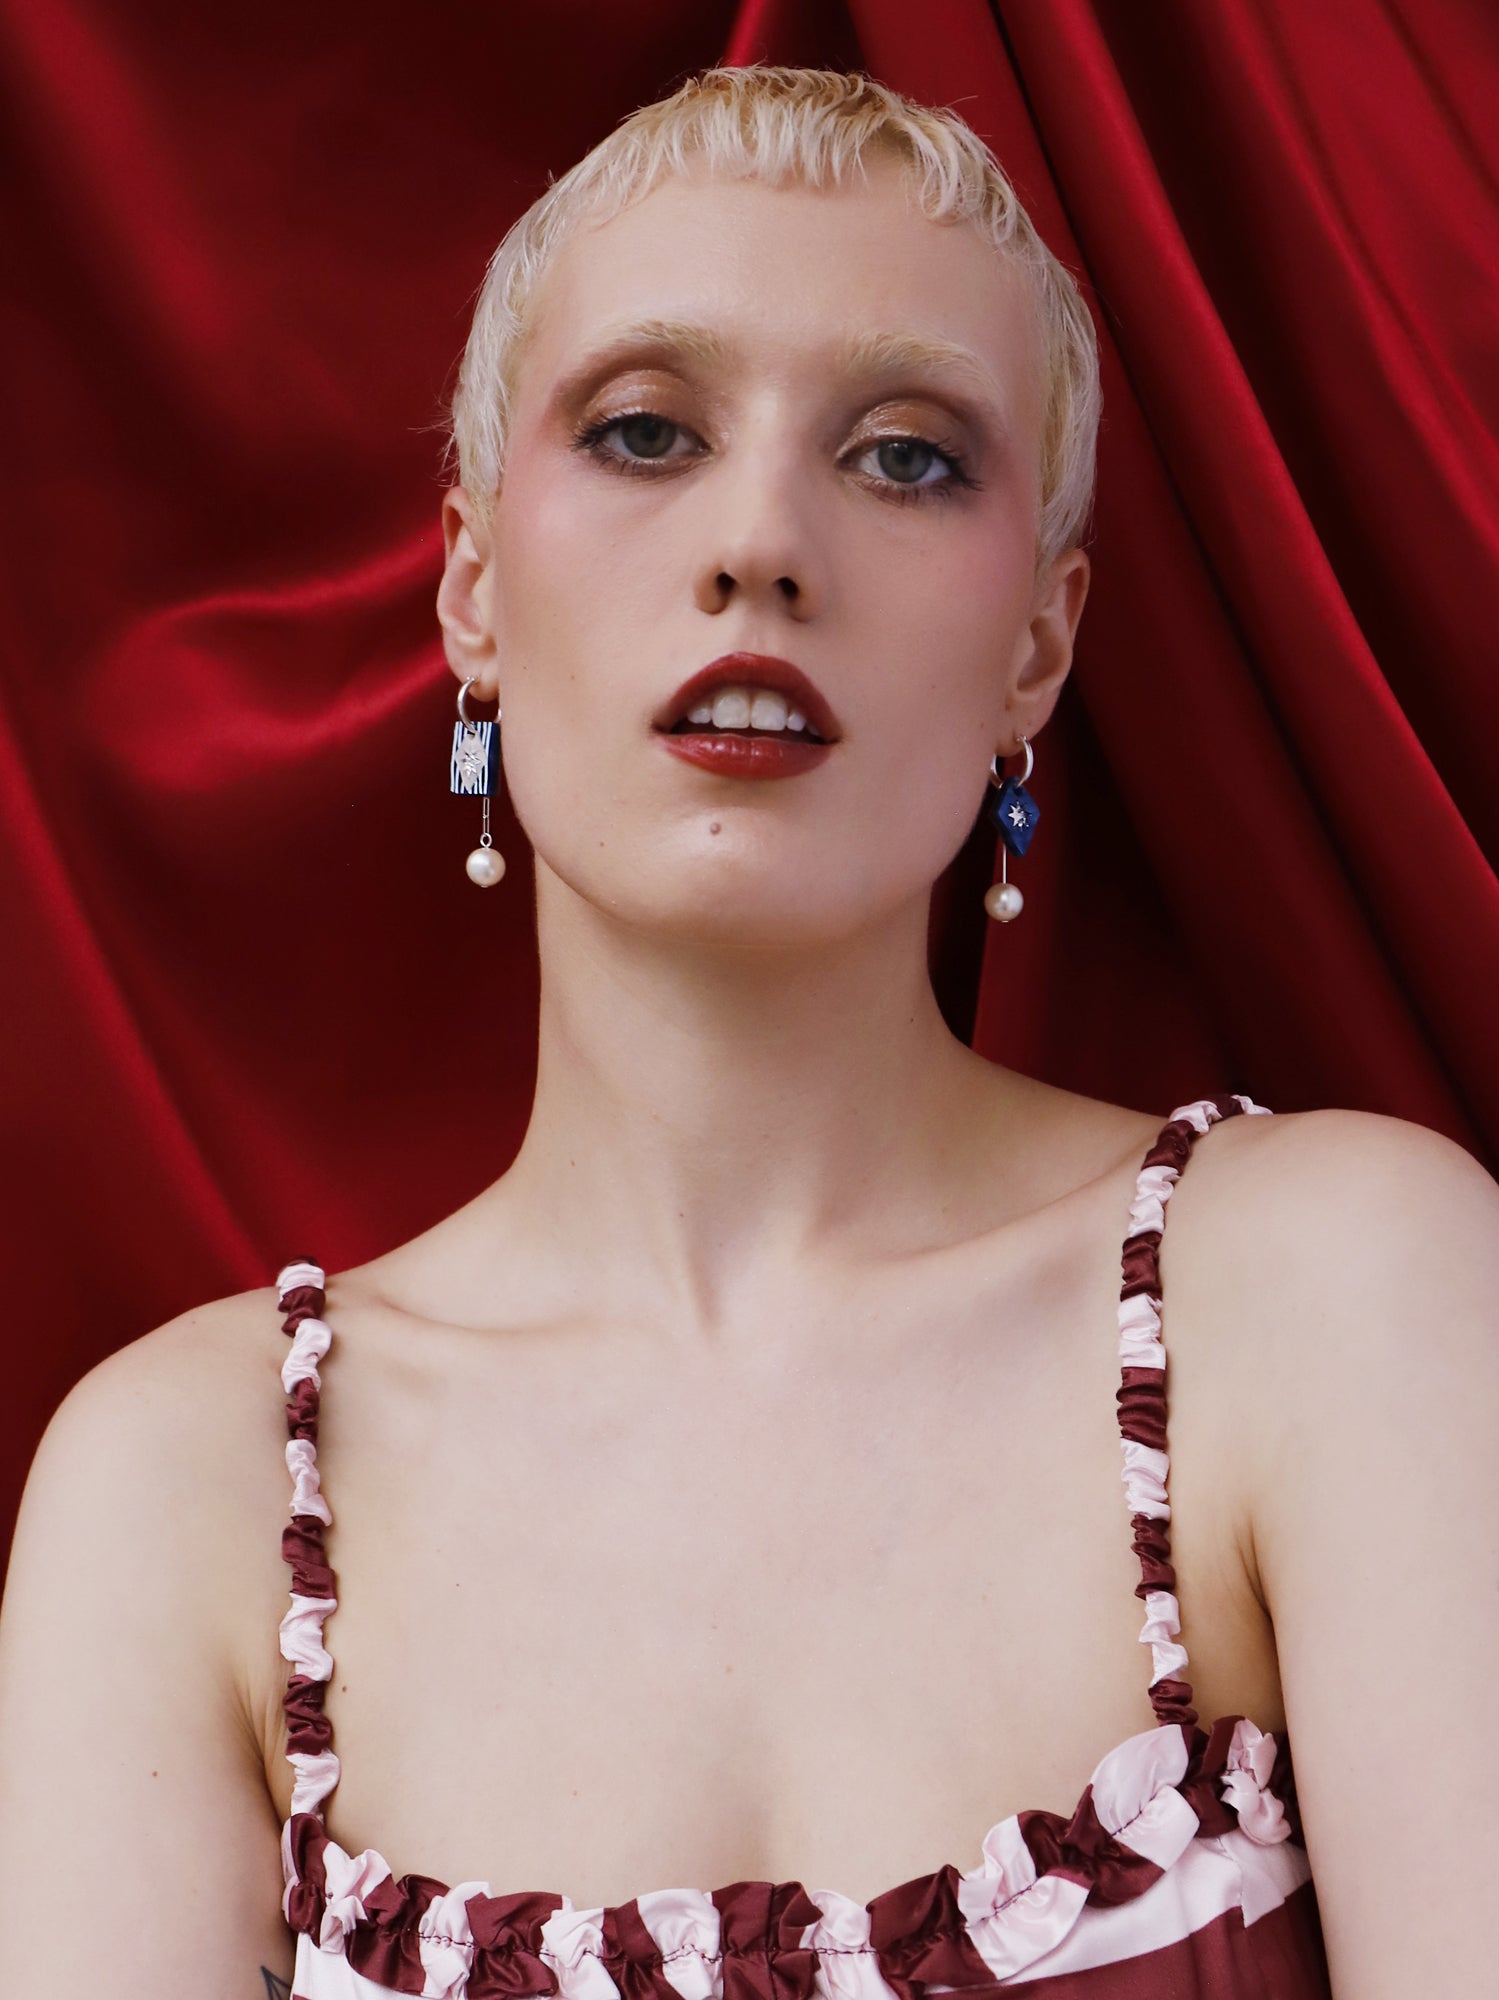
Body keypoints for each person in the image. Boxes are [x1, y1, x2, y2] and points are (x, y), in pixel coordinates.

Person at [0, 63, 1494, 2000]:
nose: (762, 540)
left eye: (904, 455)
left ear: (1037, 642)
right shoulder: (182, 1486)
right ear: (471, 582)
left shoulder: (1338, 1288)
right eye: (643, 431)